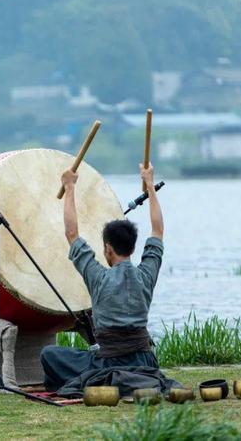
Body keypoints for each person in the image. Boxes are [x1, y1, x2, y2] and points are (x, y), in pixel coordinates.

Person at [41, 162, 164, 391]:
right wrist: (150, 185)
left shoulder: (99, 278)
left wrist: (69, 187)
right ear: (132, 248)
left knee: (50, 354)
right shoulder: (146, 275)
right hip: (144, 362)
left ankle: (109, 379)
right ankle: (131, 379)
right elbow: (157, 231)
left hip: (108, 362)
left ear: (108, 249)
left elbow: (71, 234)